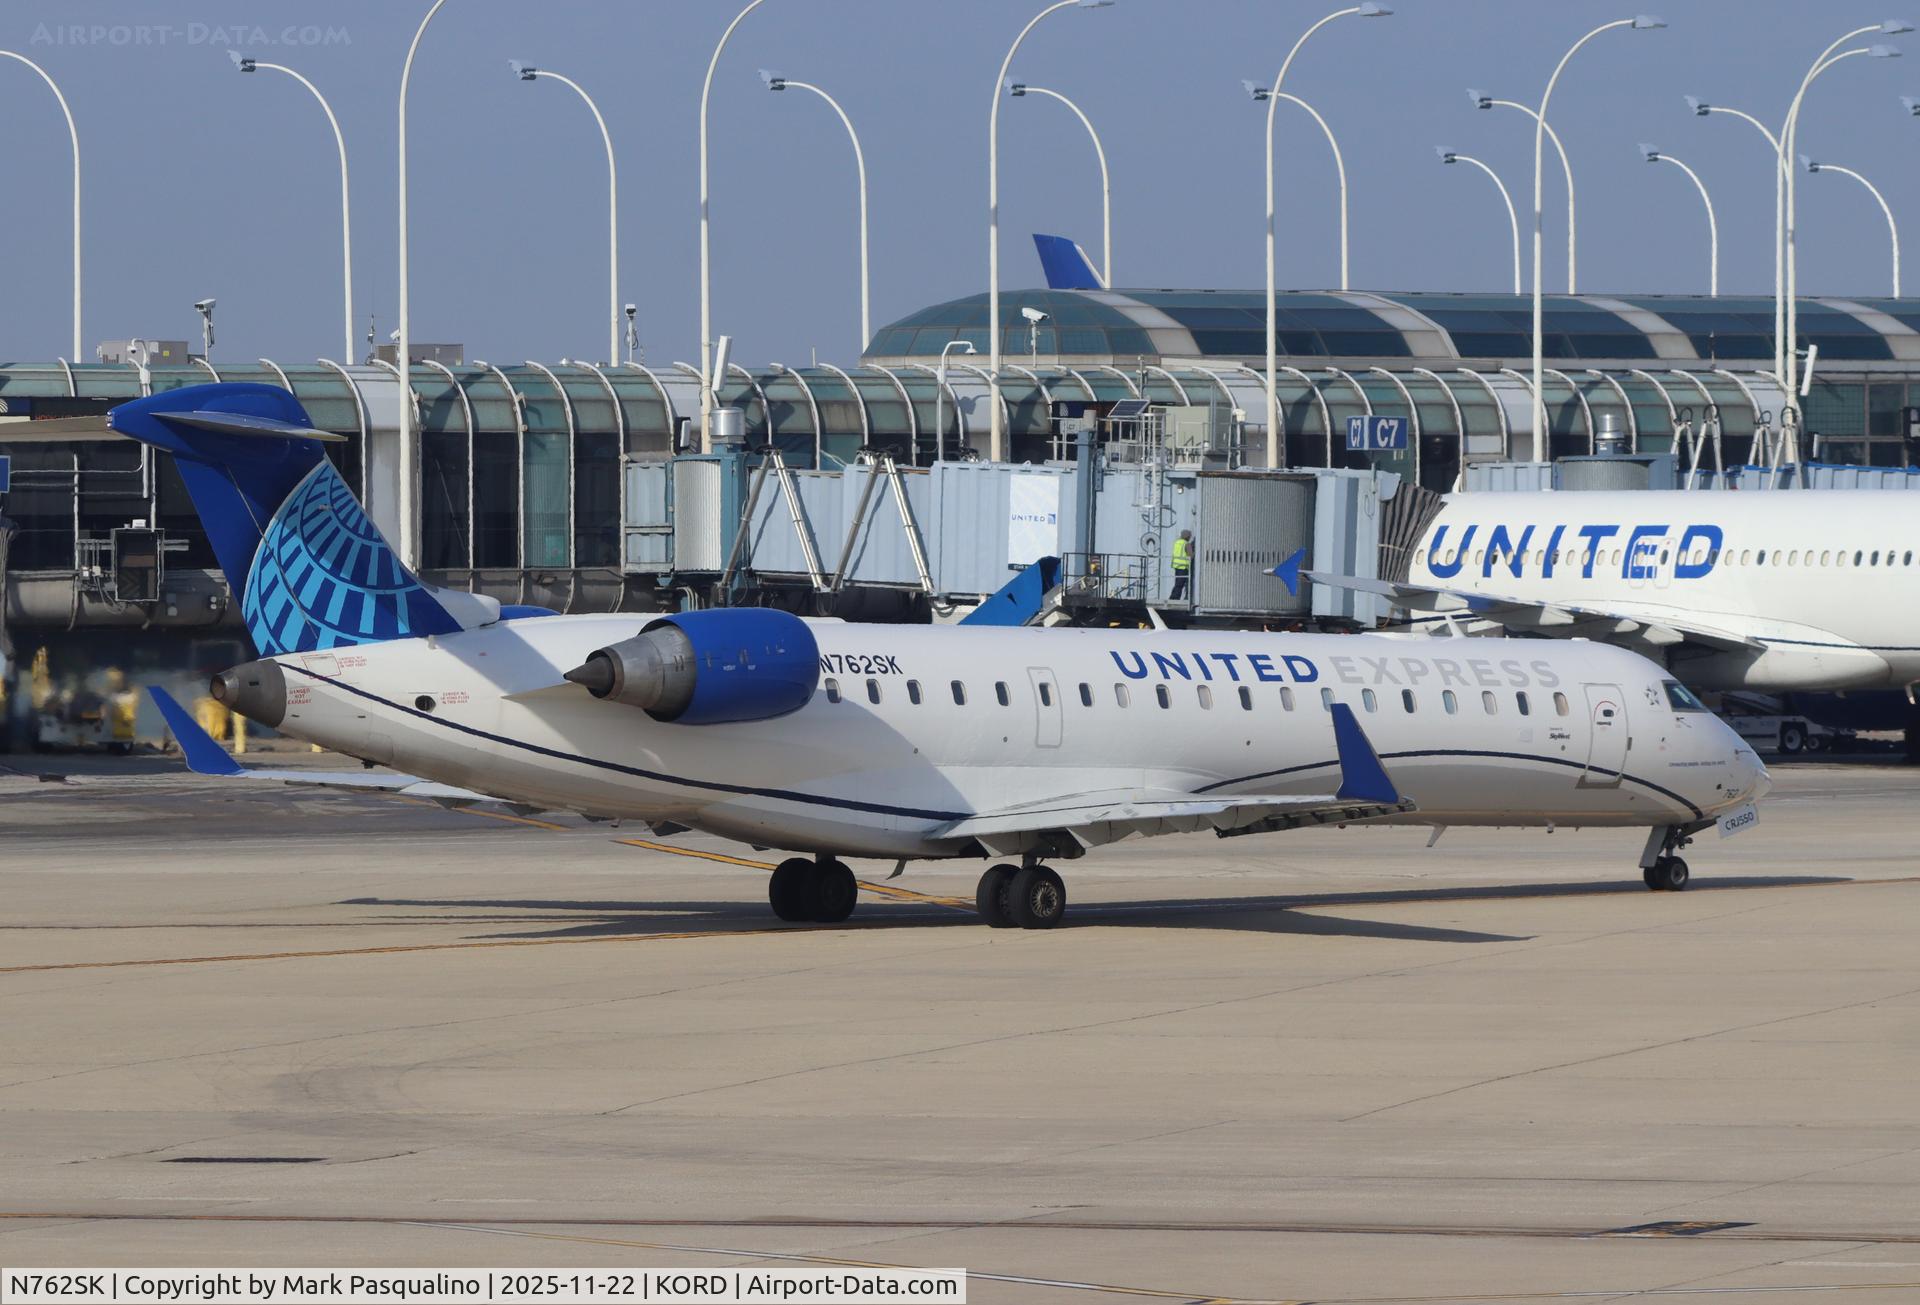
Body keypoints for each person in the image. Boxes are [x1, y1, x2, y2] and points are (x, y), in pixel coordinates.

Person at [1169, 529, 1193, 602]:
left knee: (1177, 583)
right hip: (1183, 567)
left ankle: (1173, 597)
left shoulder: (1177, 542)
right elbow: (1190, 556)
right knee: (1180, 585)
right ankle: (1174, 598)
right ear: (1187, 536)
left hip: (1177, 566)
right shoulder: (1187, 544)